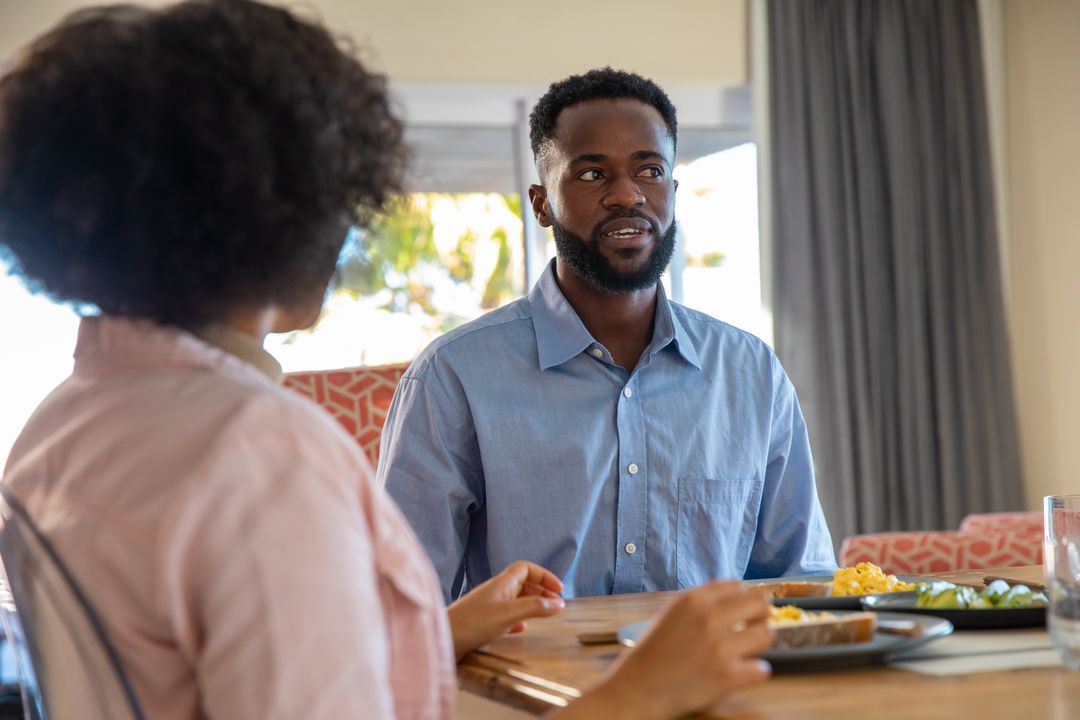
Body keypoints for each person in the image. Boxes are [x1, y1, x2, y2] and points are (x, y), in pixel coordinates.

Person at [0, 4, 773, 719]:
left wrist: (455, 624)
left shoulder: (55, 431)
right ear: (279, 204)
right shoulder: (265, 454)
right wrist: (640, 695)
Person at [380, 67, 837, 602]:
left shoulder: (751, 372)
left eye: (649, 170)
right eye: (592, 175)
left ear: (672, 189)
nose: (627, 196)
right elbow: (401, 608)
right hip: (536, 682)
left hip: (715, 682)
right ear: (541, 203)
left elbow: (802, 586)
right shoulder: (453, 376)